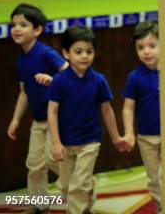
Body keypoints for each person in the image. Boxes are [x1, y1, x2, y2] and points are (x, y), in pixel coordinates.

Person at [47, 26, 127, 213]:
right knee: (67, 186)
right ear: (66, 53)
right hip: (66, 142)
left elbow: (107, 110)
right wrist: (56, 142)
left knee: (76, 187)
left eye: (89, 51)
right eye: (78, 51)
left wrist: (116, 138)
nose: (84, 56)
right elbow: (52, 112)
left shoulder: (99, 80)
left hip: (90, 142)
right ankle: (89, 186)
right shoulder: (59, 81)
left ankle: (78, 206)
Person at [7, 3, 68, 213]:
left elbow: (71, 77)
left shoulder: (46, 53)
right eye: (13, 24)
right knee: (34, 164)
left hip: (56, 119)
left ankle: (83, 188)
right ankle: (39, 206)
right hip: (38, 121)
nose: (16, 29)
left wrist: (53, 80)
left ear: (37, 29)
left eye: (23, 24)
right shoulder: (21, 61)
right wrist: (15, 120)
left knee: (54, 160)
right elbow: (24, 92)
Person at [122, 21, 162, 213]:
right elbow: (128, 108)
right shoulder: (135, 77)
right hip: (147, 137)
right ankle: (163, 208)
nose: (146, 52)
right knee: (155, 178)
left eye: (152, 46)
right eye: (141, 47)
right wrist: (129, 133)